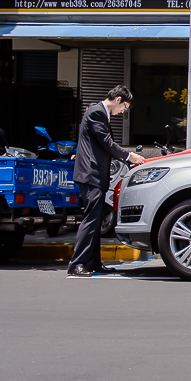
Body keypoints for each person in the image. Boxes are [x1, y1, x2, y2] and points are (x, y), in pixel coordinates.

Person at [67, 86, 146, 277]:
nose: (123, 112)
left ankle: (93, 262)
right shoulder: (96, 112)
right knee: (90, 219)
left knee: (95, 219)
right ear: (118, 99)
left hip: (95, 174)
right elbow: (105, 143)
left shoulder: (100, 113)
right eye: (124, 107)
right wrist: (129, 156)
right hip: (90, 174)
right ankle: (76, 263)